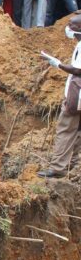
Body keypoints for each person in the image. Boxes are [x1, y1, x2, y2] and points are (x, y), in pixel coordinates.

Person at [38, 15, 81, 179]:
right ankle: (73, 165)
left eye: (72, 25)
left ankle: (58, 168)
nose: (68, 27)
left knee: (65, 129)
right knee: (77, 131)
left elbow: (78, 70)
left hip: (77, 95)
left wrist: (56, 63)